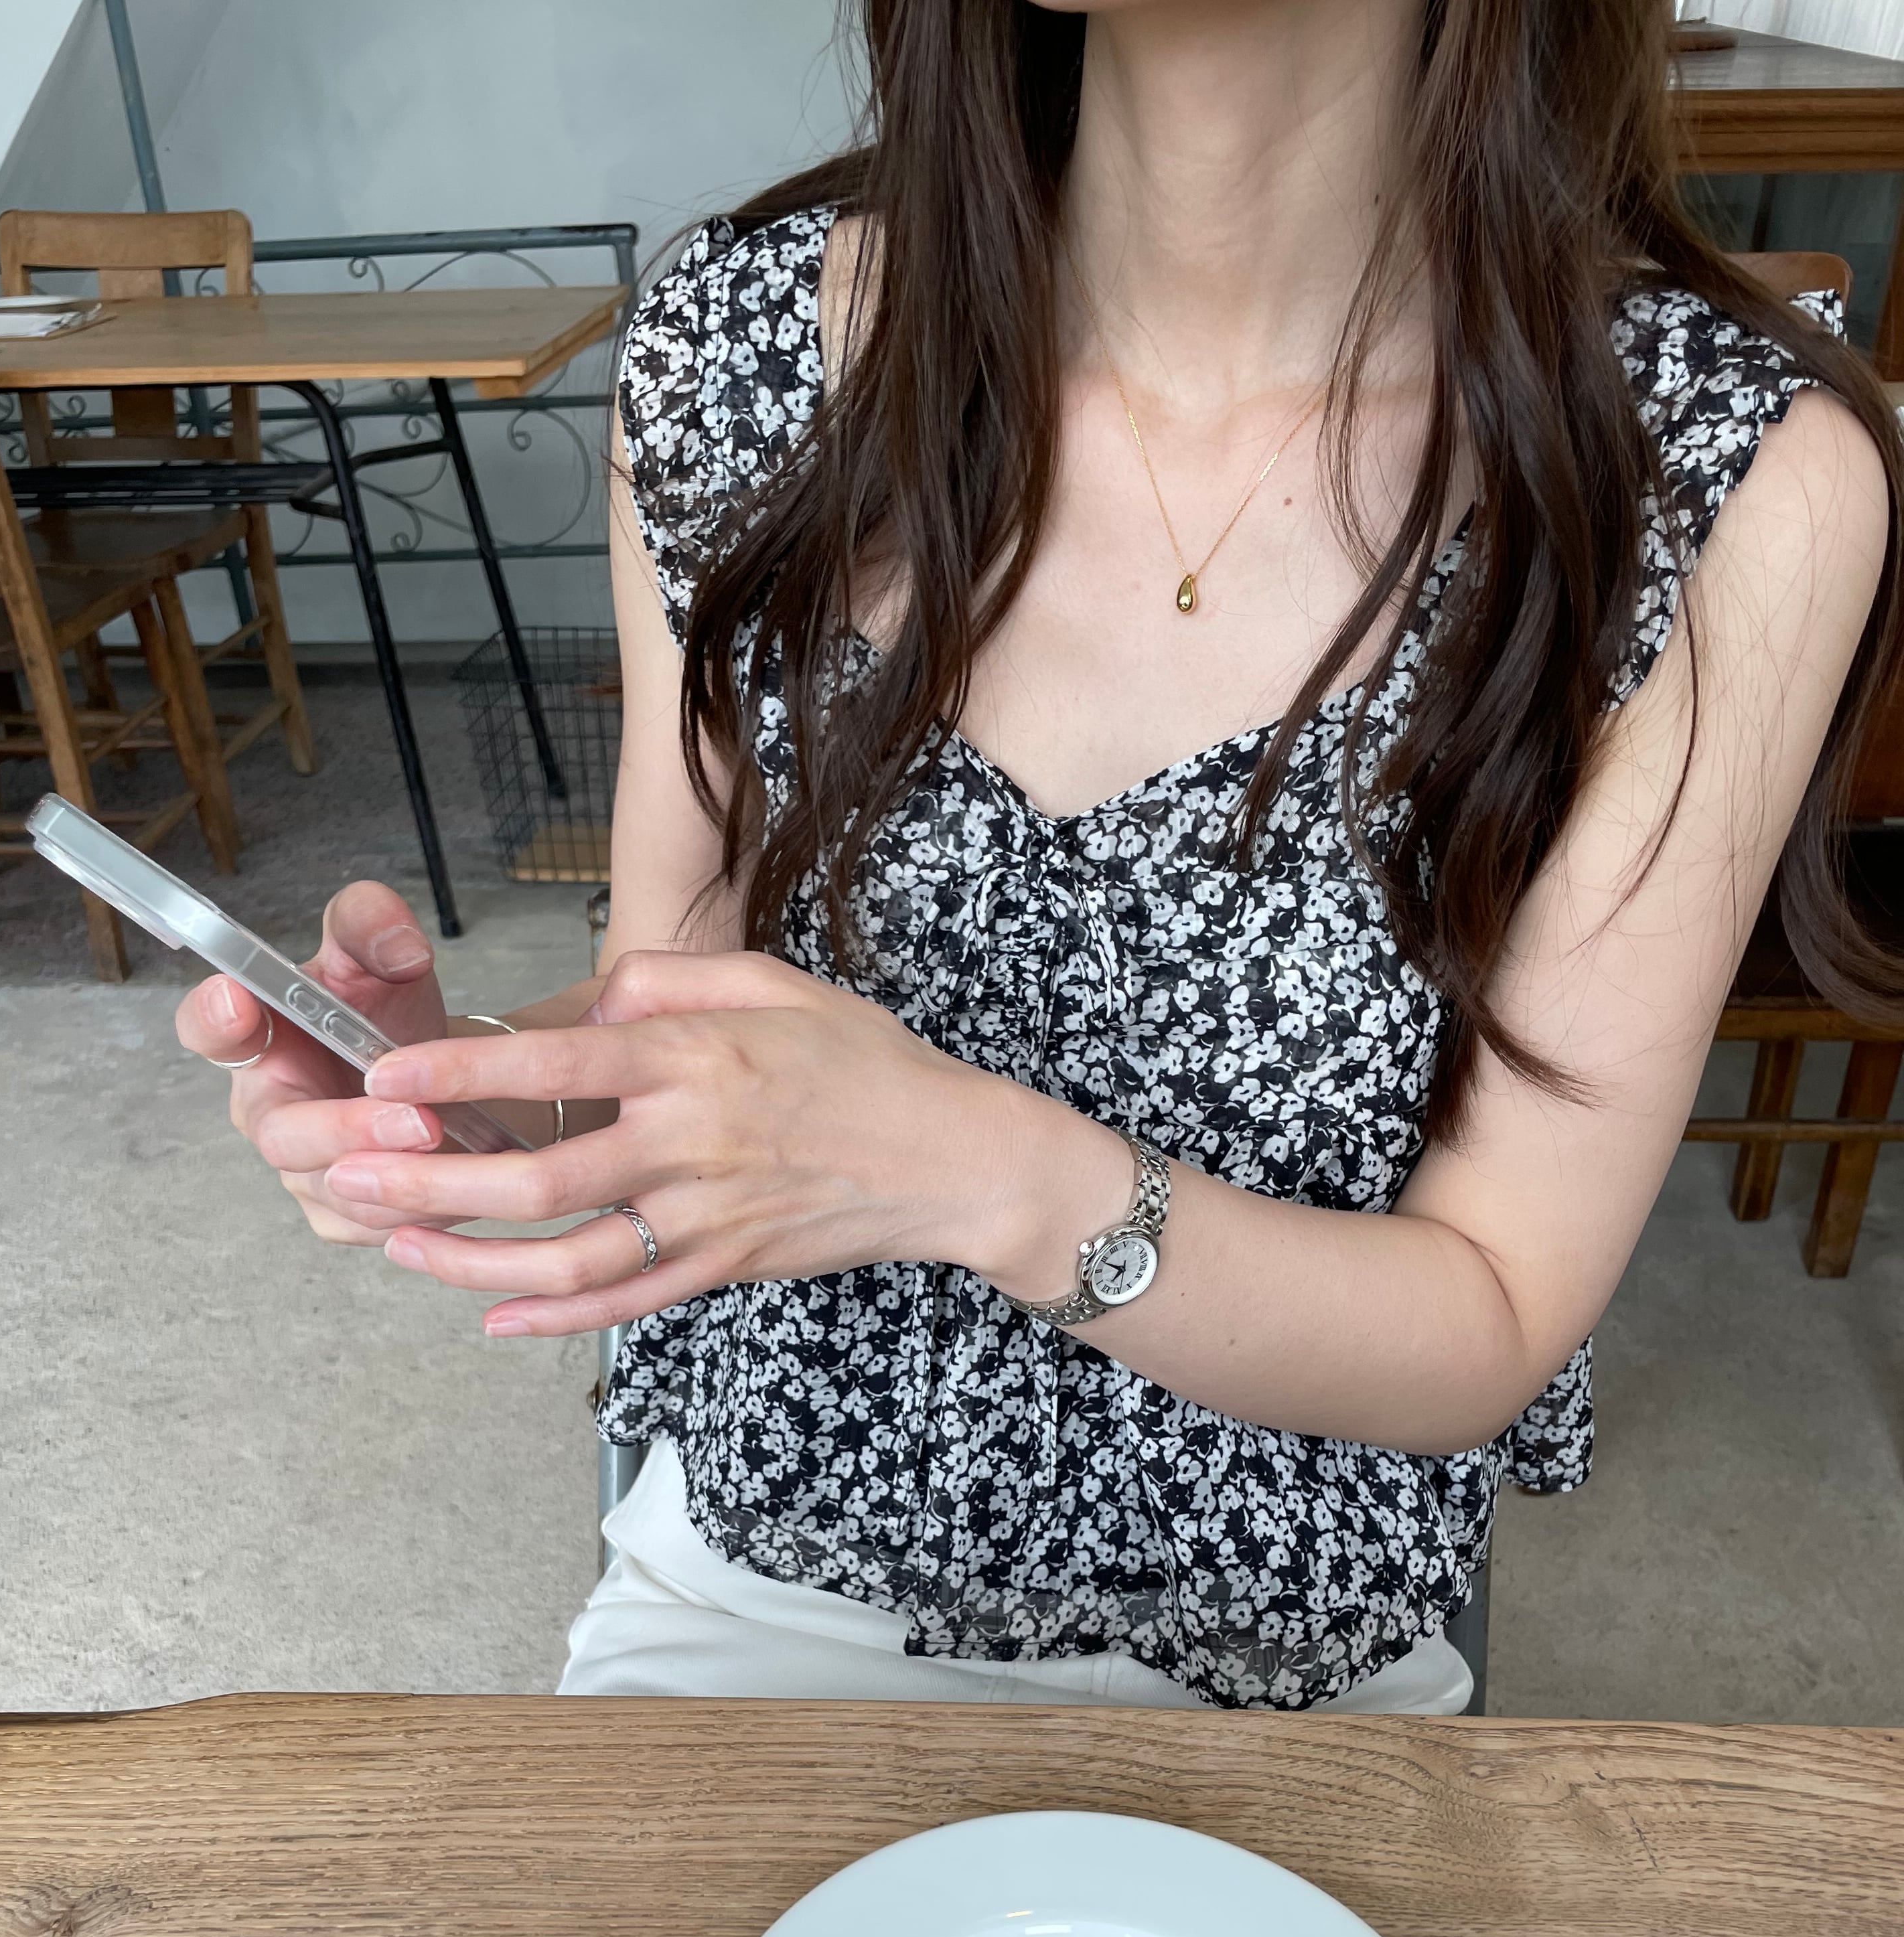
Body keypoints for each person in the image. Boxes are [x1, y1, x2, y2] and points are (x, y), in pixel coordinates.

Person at [179, 0, 1904, 1712]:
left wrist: (985, 1173)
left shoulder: (1722, 481)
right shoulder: (735, 346)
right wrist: (460, 1094)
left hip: (1290, 1663)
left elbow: (1498, 1314)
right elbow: (676, 1037)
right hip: (748, 1580)